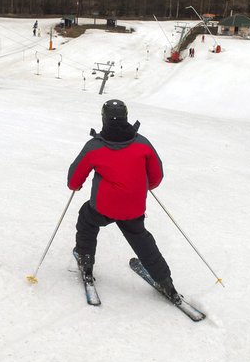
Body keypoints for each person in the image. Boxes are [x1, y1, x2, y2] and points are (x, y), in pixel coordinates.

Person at [67, 99, 180, 302]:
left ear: (103, 118)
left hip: (103, 207)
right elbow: (157, 176)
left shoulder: (95, 147)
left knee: (87, 219)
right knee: (140, 237)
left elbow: (73, 180)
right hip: (134, 207)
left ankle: (85, 260)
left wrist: (76, 185)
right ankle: (165, 281)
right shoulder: (142, 143)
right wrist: (142, 186)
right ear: (126, 117)